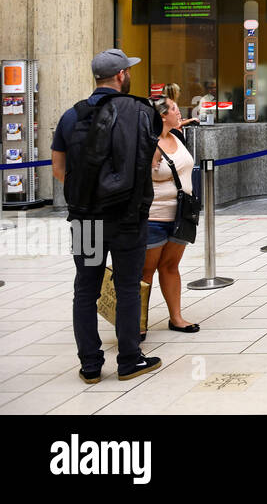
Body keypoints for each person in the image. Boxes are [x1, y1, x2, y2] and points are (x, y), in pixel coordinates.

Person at [50, 49, 163, 383]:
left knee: (85, 290)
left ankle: (90, 366)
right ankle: (129, 360)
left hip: (85, 219)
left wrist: (89, 195)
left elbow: (60, 170)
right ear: (121, 76)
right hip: (127, 218)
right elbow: (149, 162)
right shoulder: (139, 111)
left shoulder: (72, 116)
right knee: (127, 286)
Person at [143, 97, 199, 335]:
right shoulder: (148, 143)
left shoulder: (177, 136)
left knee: (170, 266)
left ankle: (176, 317)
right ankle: (137, 323)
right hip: (154, 216)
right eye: (175, 109)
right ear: (162, 116)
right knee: (145, 271)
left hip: (181, 215)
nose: (179, 112)